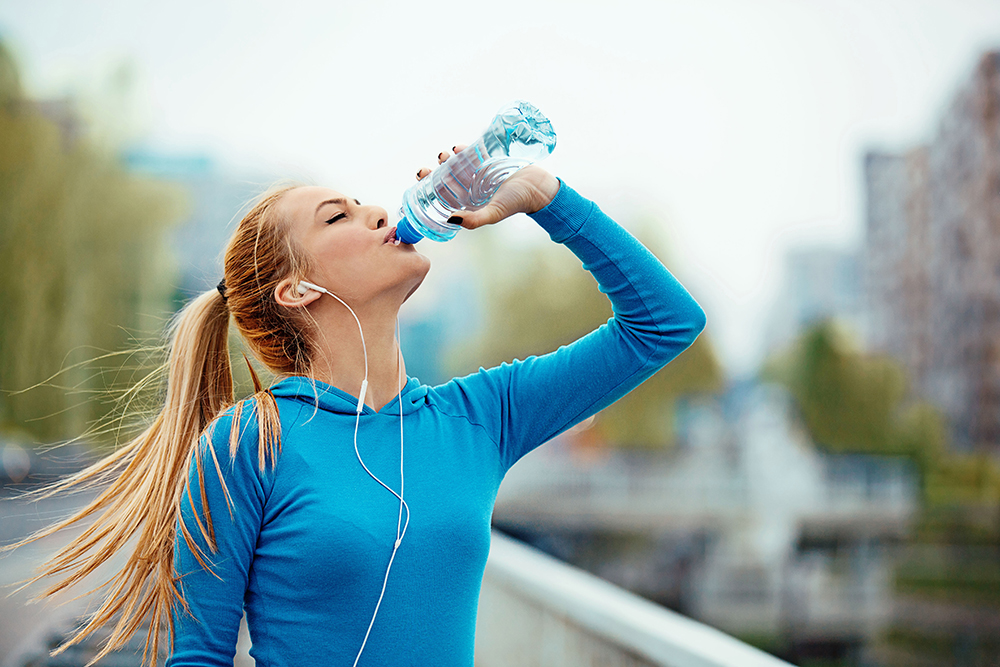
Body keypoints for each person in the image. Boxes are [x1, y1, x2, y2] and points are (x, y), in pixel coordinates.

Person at [21, 148, 706, 667]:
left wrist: (545, 198)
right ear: (294, 290)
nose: (380, 211)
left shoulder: (480, 416)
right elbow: (200, 655)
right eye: (338, 215)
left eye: (363, 203)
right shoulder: (247, 443)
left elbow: (664, 322)